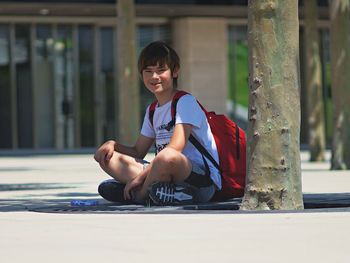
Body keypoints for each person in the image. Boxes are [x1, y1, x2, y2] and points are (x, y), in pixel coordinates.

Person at [94, 41, 220, 205]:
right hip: (163, 174)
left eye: (161, 70)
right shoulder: (152, 110)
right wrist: (112, 145)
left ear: (175, 72)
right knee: (107, 158)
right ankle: (161, 193)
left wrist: (139, 179)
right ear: (142, 75)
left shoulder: (184, 102)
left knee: (167, 156)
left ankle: (140, 195)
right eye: (148, 71)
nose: (154, 77)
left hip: (200, 183)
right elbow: (138, 151)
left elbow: (174, 150)